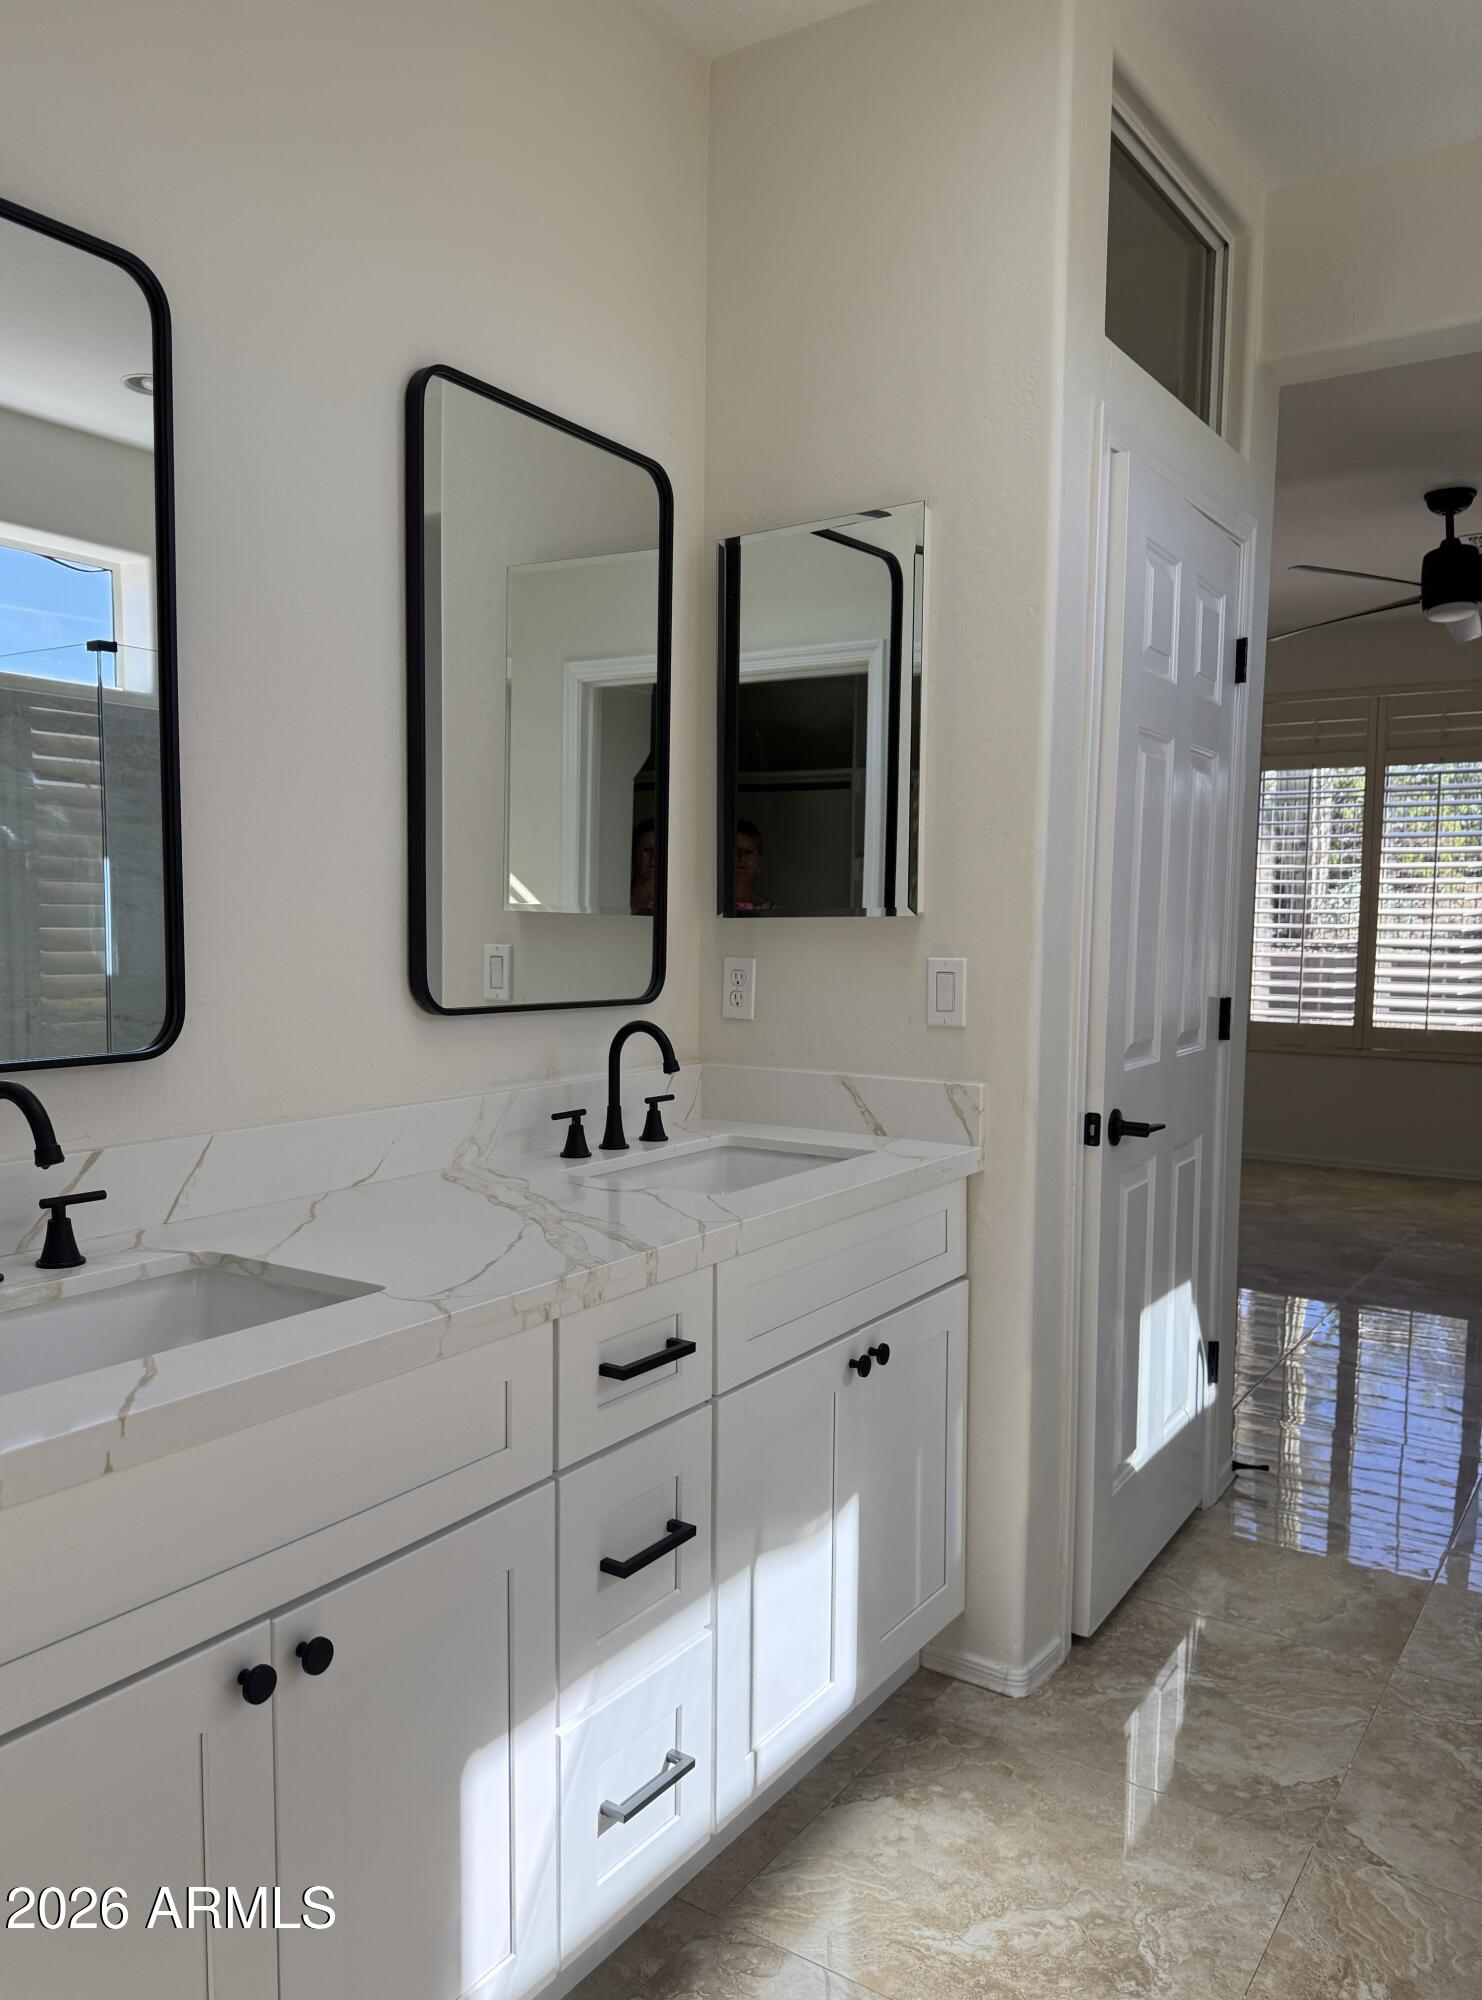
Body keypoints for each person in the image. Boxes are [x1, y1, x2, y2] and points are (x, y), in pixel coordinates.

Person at [735, 817, 773, 911]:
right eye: (736, 851)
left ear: (758, 861)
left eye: (749, 852)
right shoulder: (711, 908)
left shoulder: (771, 912)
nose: (742, 858)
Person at [629, 816, 657, 913]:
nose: (654, 858)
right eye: (647, 850)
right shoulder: (619, 897)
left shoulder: (674, 899)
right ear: (634, 854)